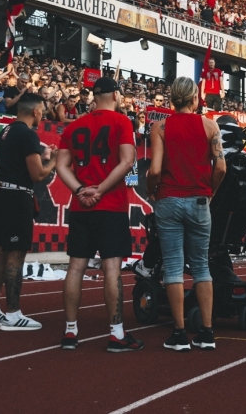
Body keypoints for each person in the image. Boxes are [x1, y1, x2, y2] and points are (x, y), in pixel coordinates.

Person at [57, 76, 143, 352]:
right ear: (116, 95)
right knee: (112, 269)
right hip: (111, 205)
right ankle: (116, 333)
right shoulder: (121, 122)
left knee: (75, 267)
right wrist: (101, 190)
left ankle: (70, 331)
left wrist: (82, 190)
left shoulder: (75, 125)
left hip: (82, 207)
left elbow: (61, 166)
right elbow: (128, 162)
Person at [147, 77, 227, 352]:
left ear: (172, 100)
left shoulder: (160, 127)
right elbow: (221, 167)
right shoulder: (210, 126)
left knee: (172, 266)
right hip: (199, 200)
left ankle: (179, 333)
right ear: (195, 99)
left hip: (169, 198)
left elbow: (155, 170)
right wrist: (210, 191)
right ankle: (207, 332)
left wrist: (151, 191)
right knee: (201, 266)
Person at [0, 93, 57, 331]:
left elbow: (20, 163)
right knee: (15, 255)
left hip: (0, 193)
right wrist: (55, 161)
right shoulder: (28, 134)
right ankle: (13, 314)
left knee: (1, 252)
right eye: (42, 109)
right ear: (35, 111)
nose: (43, 114)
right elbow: (38, 175)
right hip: (15, 198)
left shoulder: (7, 131)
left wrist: (43, 157)